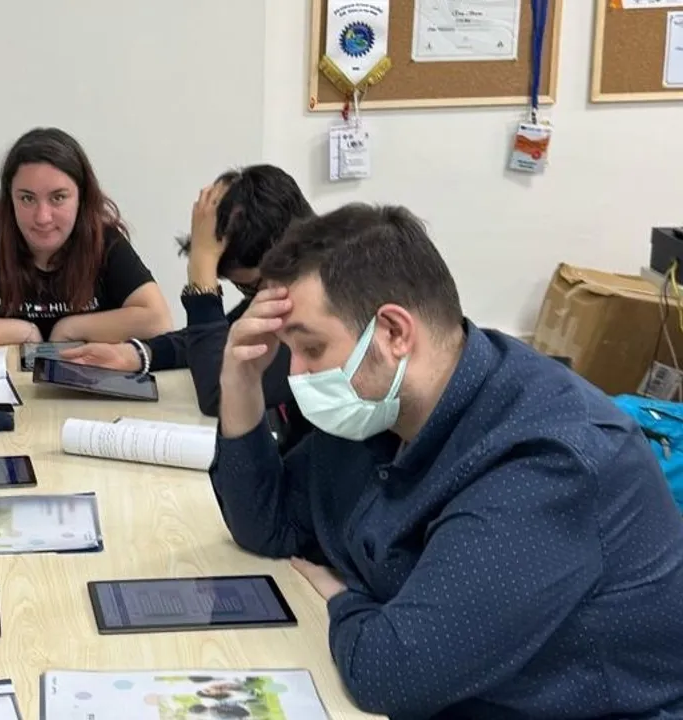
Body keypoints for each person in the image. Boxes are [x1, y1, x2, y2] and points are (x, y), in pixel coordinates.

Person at [211, 203, 683, 719]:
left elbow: (391, 674)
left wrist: (343, 598)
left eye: (312, 348)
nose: (297, 374)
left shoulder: (548, 460)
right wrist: (241, 381)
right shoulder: (381, 410)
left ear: (394, 333)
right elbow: (269, 524)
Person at [59, 165, 315, 435]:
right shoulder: (295, 279)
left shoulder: (316, 309)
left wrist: (202, 270)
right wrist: (138, 354)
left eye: (249, 285)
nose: (251, 295)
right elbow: (223, 338)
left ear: (284, 255)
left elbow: (219, 395)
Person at [0, 127, 172, 349]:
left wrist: (69, 329)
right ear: (10, 199)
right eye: (27, 198)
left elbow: (158, 320)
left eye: (58, 197)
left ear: (82, 198)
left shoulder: (104, 241)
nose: (42, 217)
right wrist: (25, 332)